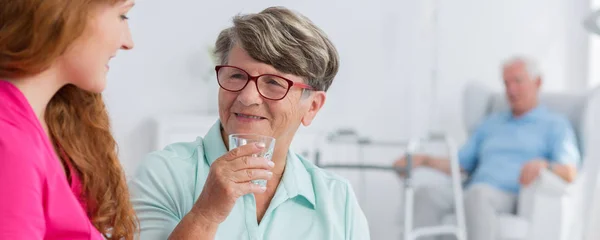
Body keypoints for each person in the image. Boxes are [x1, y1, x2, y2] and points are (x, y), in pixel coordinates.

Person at [129, 6, 370, 240]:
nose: (247, 97)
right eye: (236, 76)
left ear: (313, 106)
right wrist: (205, 215)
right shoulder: (163, 175)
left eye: (274, 82)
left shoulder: (339, 201)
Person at [394, 56, 581, 240]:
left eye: (517, 81)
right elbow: (460, 163)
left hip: (509, 194)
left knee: (478, 195)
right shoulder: (491, 123)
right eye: (506, 84)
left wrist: (544, 166)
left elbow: (570, 172)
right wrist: (423, 160)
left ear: (537, 82)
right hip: (472, 189)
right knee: (427, 194)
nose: (511, 90)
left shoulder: (555, 125)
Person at [0, 0, 137, 239]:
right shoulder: (10, 144)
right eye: (122, 16)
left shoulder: (49, 129)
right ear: (67, 9)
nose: (128, 42)